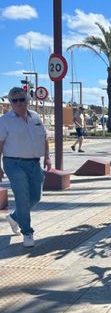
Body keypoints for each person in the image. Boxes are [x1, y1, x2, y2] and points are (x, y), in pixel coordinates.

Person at [0, 86, 51, 247]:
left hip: (34, 162)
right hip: (13, 163)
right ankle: (27, 232)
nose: (19, 103)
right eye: (15, 101)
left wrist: (48, 158)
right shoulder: (4, 120)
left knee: (36, 196)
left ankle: (15, 217)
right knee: (22, 194)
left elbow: (44, 138)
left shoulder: (35, 117)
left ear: (27, 100)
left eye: (22, 99)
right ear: (10, 103)